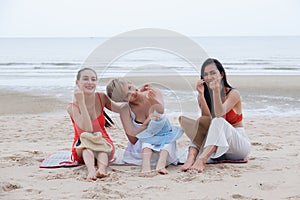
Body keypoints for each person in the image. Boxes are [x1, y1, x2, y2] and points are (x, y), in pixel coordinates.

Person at [179, 58, 251, 173]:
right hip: (217, 146)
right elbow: (205, 120)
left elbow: (220, 114)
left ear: (221, 74)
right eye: (205, 74)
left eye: (213, 73)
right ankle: (191, 158)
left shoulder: (233, 94)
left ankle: (201, 160)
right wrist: (201, 95)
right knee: (200, 126)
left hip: (237, 147)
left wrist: (216, 92)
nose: (209, 77)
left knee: (218, 121)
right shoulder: (203, 96)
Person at [106, 78, 183, 175]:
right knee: (146, 142)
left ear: (131, 83)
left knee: (169, 141)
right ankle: (145, 167)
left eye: (130, 87)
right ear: (122, 100)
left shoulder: (153, 93)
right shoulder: (125, 109)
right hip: (141, 148)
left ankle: (161, 165)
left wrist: (152, 100)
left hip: (162, 142)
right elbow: (133, 139)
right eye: (127, 95)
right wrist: (146, 123)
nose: (132, 92)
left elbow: (161, 110)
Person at [67, 68, 121, 180]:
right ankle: (91, 171)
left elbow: (121, 109)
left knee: (102, 149)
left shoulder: (101, 98)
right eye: (85, 79)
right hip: (82, 143)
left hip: (102, 141)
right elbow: (87, 129)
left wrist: (136, 95)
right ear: (77, 83)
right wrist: (81, 102)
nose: (90, 82)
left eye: (93, 79)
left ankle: (102, 169)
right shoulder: (73, 107)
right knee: (88, 149)